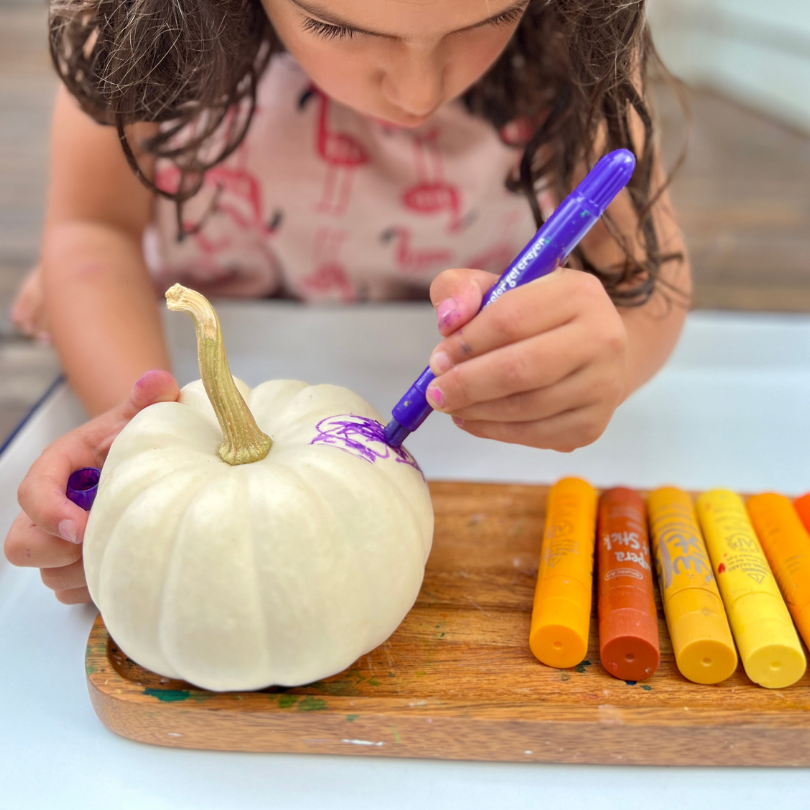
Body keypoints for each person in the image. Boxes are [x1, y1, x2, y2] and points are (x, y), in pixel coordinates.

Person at [5, 0, 690, 604]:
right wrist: (141, 442)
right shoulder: (142, 24)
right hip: (213, 309)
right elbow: (92, 230)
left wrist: (614, 355)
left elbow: (652, 279)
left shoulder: (569, 36)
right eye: (336, 26)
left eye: (491, 20)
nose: (420, 92)